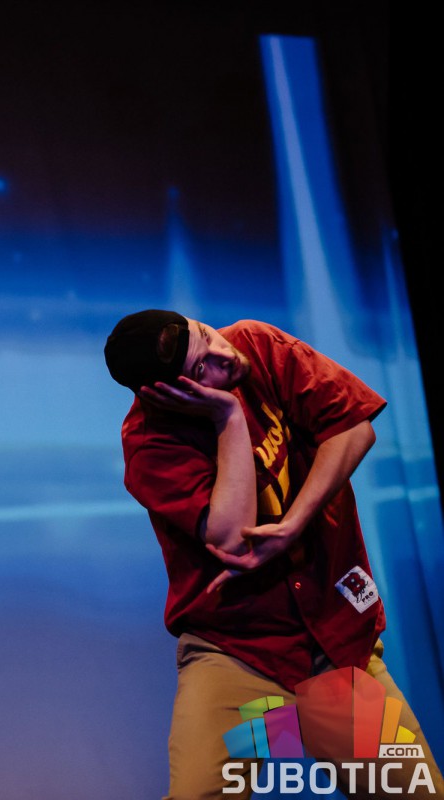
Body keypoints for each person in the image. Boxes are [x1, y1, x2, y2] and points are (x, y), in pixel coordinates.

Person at [104, 310, 441, 799]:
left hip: (333, 651)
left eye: (206, 335)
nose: (223, 355)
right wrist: (228, 417)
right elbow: (233, 538)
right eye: (201, 368)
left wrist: (293, 524)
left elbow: (354, 428)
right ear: (168, 393)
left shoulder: (257, 345)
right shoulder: (151, 444)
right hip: (243, 660)